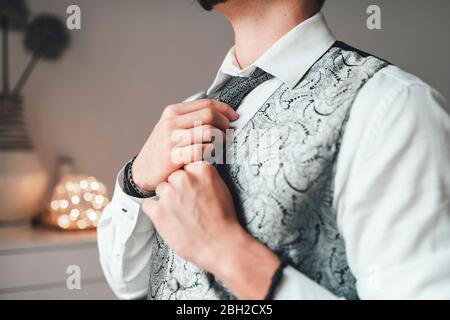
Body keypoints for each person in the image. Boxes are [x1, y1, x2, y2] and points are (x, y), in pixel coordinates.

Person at [97, 0, 450, 300]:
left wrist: (228, 252)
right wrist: (136, 179)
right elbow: (130, 284)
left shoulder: (392, 108)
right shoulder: (192, 112)